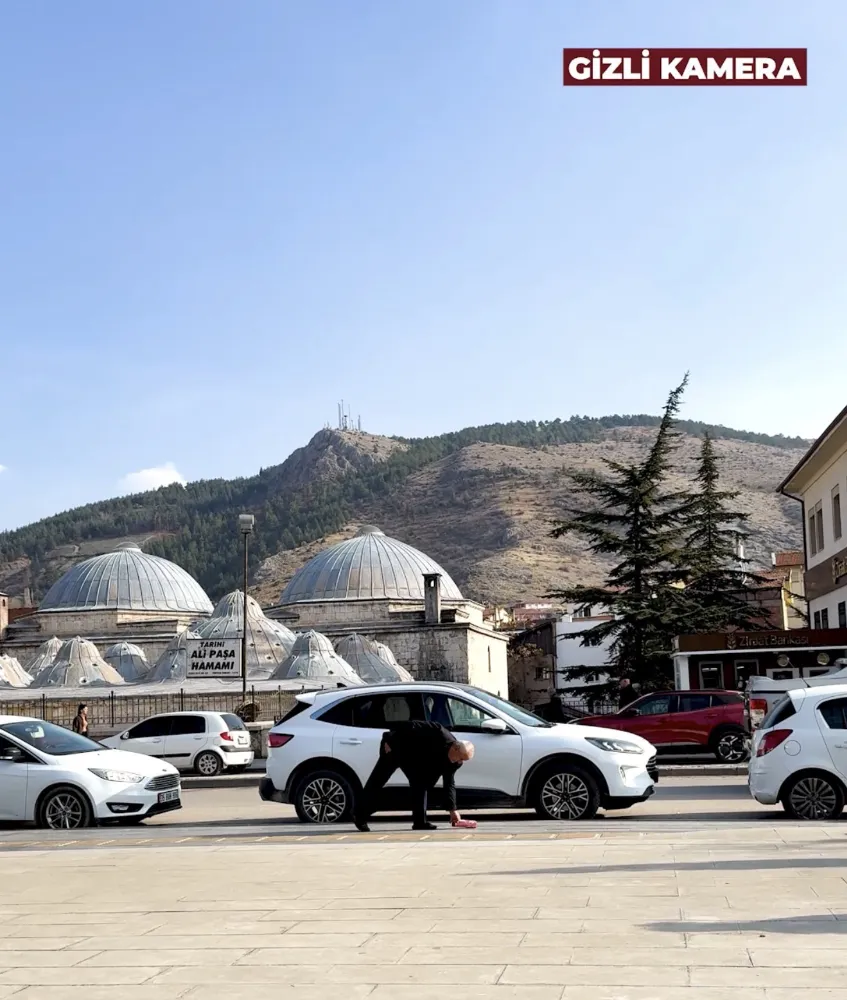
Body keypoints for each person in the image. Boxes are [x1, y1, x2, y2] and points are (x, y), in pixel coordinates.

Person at [354, 720, 474, 832]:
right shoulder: (438, 731)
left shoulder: (456, 762)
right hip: (395, 747)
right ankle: (359, 814)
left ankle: (420, 822)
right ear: (455, 748)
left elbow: (449, 782)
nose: (460, 762)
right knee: (377, 780)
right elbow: (409, 725)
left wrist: (452, 810)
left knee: (421, 785)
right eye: (460, 758)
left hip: (415, 759)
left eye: (463, 760)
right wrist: (390, 741)